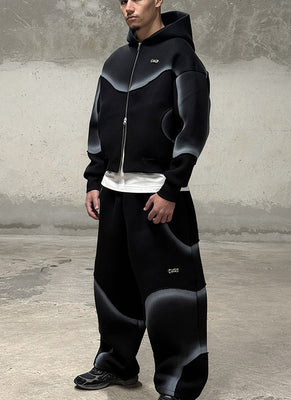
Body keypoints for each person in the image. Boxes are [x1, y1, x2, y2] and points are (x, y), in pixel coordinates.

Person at [74, 1, 210, 399]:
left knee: (172, 296)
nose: (128, 7)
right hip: (114, 194)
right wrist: (94, 179)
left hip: (158, 196)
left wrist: (171, 188)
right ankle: (116, 364)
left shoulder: (182, 58)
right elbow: (98, 122)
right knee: (113, 285)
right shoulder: (115, 61)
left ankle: (179, 385)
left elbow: (194, 126)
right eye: (122, 0)